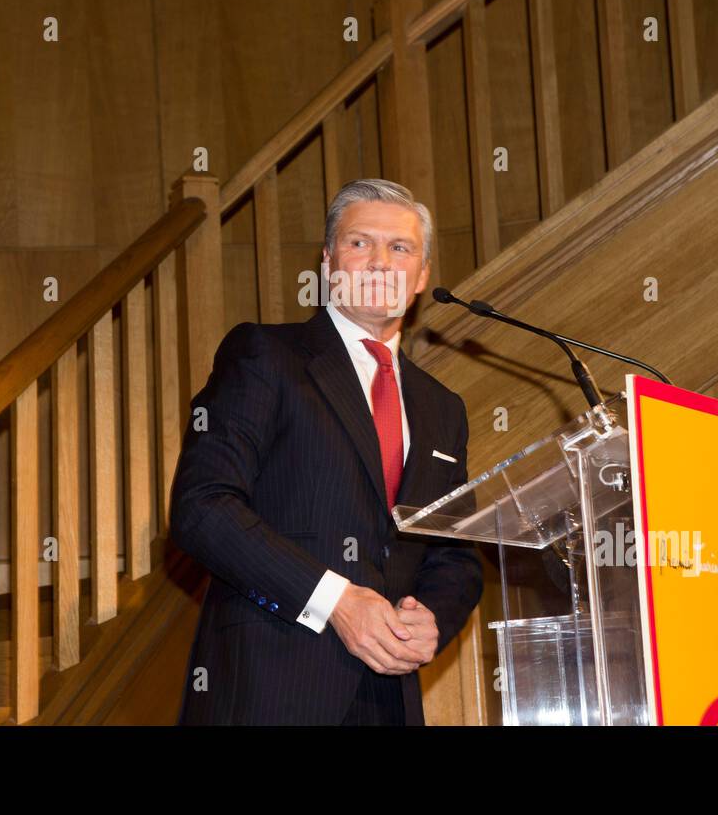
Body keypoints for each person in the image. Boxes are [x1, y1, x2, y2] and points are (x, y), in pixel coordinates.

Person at [170, 178, 484, 724]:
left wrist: (432, 616)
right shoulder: (266, 355)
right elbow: (202, 507)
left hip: (389, 698)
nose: (380, 261)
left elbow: (454, 551)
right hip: (270, 687)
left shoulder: (443, 407)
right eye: (360, 242)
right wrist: (336, 600)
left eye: (401, 248)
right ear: (327, 261)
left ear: (423, 276)